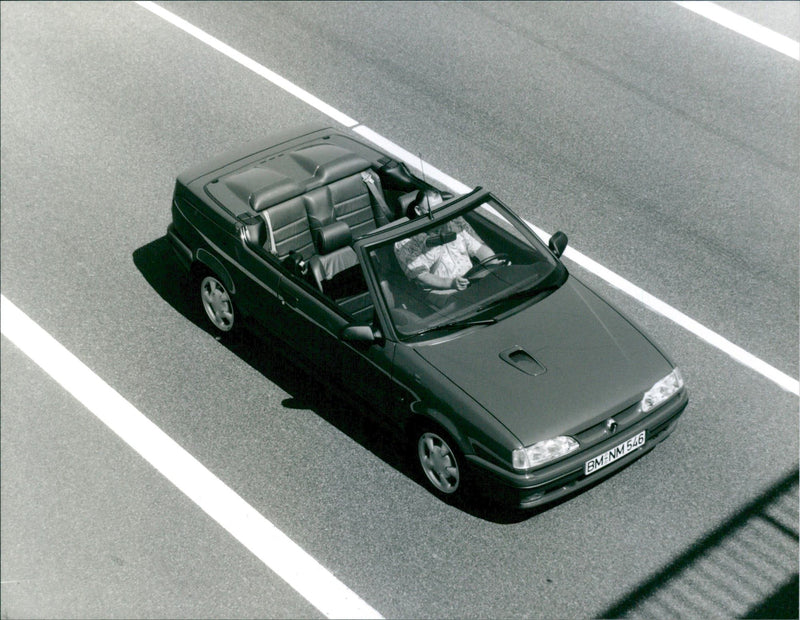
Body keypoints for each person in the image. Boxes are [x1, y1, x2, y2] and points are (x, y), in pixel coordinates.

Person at [393, 190, 495, 295]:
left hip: (472, 283)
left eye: (442, 208)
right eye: (434, 211)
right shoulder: (406, 242)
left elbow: (479, 248)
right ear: (419, 210)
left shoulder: (456, 222)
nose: (440, 215)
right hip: (442, 294)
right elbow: (421, 276)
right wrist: (450, 283)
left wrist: (494, 264)